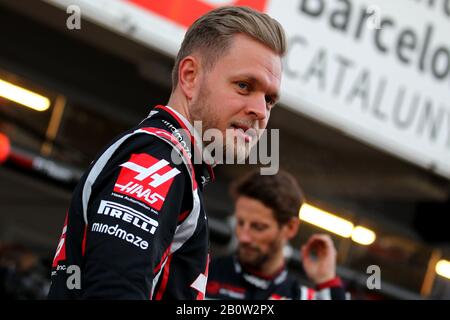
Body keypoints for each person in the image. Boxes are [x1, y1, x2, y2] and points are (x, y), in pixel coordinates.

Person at [48, 6, 286, 299]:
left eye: (270, 99)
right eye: (243, 85)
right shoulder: (159, 157)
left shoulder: (176, 162)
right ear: (189, 76)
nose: (260, 111)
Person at [206, 170, 348, 300]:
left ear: (291, 228)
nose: (243, 237)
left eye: (258, 227)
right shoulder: (203, 275)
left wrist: (326, 280)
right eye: (240, 223)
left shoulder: (302, 296)